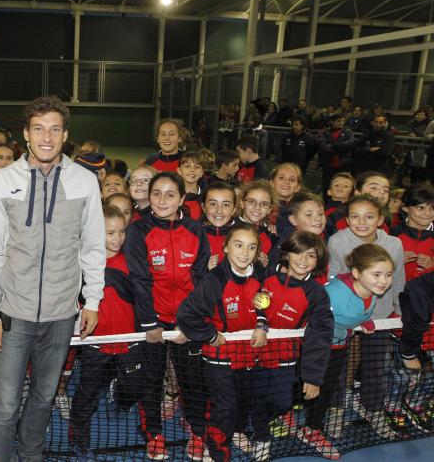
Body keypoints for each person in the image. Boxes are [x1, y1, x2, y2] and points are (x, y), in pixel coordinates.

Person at [0, 96, 104, 461]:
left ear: (65, 135)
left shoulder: (85, 182)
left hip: (62, 315)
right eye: (38, 129)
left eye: (54, 129)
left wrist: (92, 301)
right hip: (13, 315)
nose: (46, 137)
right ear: (25, 134)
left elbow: (93, 247)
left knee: (44, 398)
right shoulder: (2, 181)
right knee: (4, 407)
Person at [124, 171, 210, 461]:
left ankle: (198, 433)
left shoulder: (197, 230)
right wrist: (150, 323)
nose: (162, 200)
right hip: (152, 321)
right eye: (156, 193)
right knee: (152, 380)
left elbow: (200, 278)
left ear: (182, 199)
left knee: (192, 381)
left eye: (170, 194)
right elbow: (140, 279)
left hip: (186, 321)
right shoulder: (137, 231)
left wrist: (191, 321)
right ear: (149, 196)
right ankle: (154, 434)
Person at [177, 222, 266, 462]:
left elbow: (265, 303)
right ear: (226, 247)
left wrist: (262, 325)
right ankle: (218, 452)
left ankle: (230, 433)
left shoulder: (259, 273)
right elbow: (186, 314)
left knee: (241, 402)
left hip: (249, 354)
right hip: (219, 356)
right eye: (238, 245)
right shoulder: (214, 280)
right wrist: (210, 334)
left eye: (251, 247)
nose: (244, 253)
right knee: (225, 408)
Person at [303, 244, 398, 456]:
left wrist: (364, 321)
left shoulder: (374, 293)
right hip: (314, 350)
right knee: (301, 390)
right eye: (377, 274)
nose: (384, 281)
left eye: (388, 274)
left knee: (326, 391)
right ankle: (299, 422)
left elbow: (352, 315)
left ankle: (311, 427)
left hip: (338, 347)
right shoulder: (332, 295)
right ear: (356, 273)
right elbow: (312, 318)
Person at [69, 205, 141, 459]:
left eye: (121, 231)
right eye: (110, 233)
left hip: (129, 341)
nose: (117, 238)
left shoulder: (132, 260)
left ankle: (120, 397)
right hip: (95, 343)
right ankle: (77, 434)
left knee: (134, 386)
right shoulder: (82, 262)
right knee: (87, 392)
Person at [255, 232, 333, 459]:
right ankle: (261, 437)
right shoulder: (266, 277)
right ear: (286, 254)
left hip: (285, 356)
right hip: (252, 351)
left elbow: (320, 335)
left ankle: (261, 420)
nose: (302, 259)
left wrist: (313, 377)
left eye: (310, 255)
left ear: (318, 261)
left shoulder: (317, 294)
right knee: (255, 396)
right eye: (297, 252)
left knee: (282, 401)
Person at [397, 270, 434, 430]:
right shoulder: (421, 284)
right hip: (417, 338)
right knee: (401, 377)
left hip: (421, 338)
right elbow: (415, 292)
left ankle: (416, 402)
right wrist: (409, 352)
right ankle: (398, 405)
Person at [391, 185, 434, 280]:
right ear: (405, 207)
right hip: (396, 292)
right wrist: (394, 263)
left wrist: (431, 266)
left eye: (432, 208)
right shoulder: (392, 234)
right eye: (420, 208)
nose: (427, 213)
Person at [317, 113, 354, 189]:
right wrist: (340, 147)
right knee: (327, 187)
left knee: (341, 187)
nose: (341, 123)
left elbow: (350, 144)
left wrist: (333, 145)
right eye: (338, 121)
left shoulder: (347, 132)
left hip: (342, 165)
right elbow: (323, 146)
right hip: (328, 165)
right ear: (332, 122)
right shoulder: (325, 132)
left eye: (343, 121)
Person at [178, 152, 206, 220]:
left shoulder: (206, 198)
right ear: (179, 171)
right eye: (187, 166)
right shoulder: (171, 196)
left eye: (197, 167)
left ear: (202, 173)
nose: (192, 170)